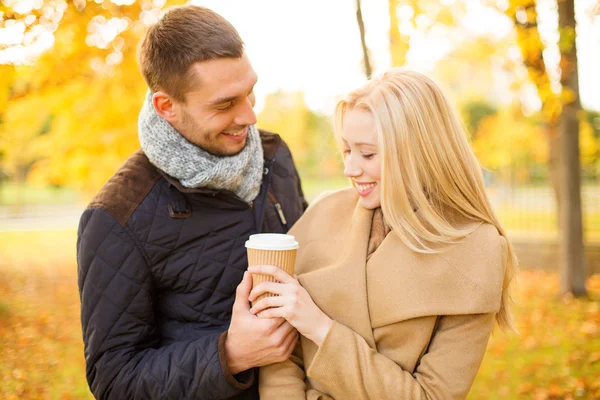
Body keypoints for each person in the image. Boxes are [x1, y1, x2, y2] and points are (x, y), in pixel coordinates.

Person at [76, 5, 307, 400]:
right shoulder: (116, 216)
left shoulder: (273, 155)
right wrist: (229, 355)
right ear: (167, 107)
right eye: (225, 104)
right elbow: (114, 381)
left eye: (250, 90)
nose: (249, 116)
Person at [252, 68, 517, 399]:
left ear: (418, 152)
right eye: (347, 150)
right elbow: (279, 349)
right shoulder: (323, 214)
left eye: (368, 153)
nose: (350, 169)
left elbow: (431, 395)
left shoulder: (476, 250)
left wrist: (321, 328)